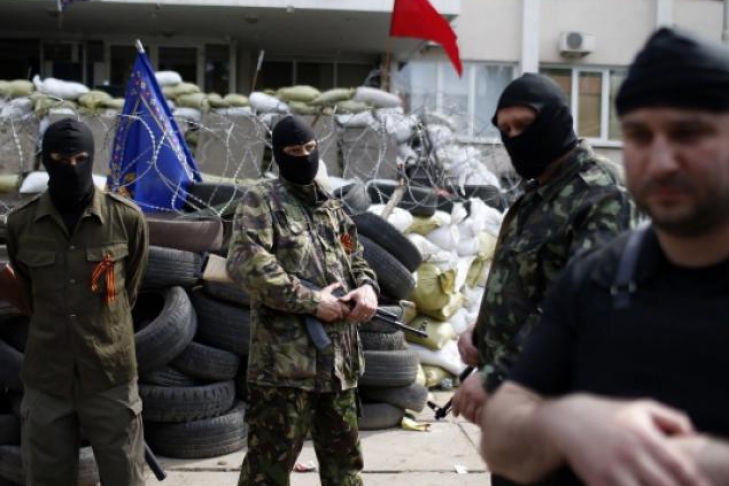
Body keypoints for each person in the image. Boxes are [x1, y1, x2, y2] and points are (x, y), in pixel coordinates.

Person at [480, 27, 729, 486]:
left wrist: (685, 460)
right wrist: (564, 421)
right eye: (639, 135)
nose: (661, 161)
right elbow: (501, 432)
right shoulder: (601, 278)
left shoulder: (599, 195)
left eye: (688, 133)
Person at [451, 73, 636, 424]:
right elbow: (528, 284)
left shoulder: (602, 192)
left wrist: (498, 375)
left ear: (556, 119)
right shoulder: (538, 196)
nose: (515, 138)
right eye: (505, 130)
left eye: (524, 125)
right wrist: (483, 330)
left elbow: (585, 300)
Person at [226, 115, 379, 486]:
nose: (305, 156)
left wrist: (367, 287)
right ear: (279, 155)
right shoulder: (261, 202)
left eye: (310, 148)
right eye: (295, 151)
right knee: (266, 474)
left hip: (338, 369)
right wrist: (310, 301)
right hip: (285, 372)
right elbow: (246, 263)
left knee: (346, 473)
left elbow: (355, 257)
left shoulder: (332, 209)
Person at [6, 119, 149, 486]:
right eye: (59, 159)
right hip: (47, 377)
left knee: (124, 475)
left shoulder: (125, 219)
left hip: (109, 373)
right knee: (46, 476)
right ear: (45, 160)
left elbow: (129, 291)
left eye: (80, 159)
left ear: (91, 157)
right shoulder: (23, 224)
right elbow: (28, 293)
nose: (71, 167)